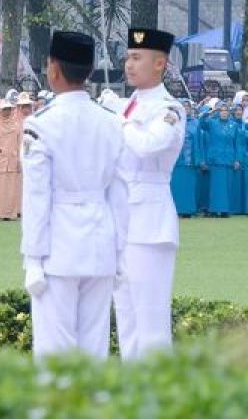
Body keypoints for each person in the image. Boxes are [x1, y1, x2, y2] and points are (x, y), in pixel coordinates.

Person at [20, 31, 128, 358]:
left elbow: (37, 197)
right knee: (93, 350)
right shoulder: (112, 123)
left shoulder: (40, 125)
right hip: (101, 243)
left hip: (58, 247)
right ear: (90, 69)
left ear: (53, 70)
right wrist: (120, 252)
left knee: (54, 352)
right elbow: (119, 194)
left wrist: (33, 259)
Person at [112, 27, 186, 361]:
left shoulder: (169, 108)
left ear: (160, 64)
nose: (129, 64)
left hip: (150, 221)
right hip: (122, 219)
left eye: (137, 57)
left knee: (151, 321)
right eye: (128, 57)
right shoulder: (129, 105)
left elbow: (147, 145)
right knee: (126, 318)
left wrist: (120, 119)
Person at [199, 102, 237, 218]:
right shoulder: (212, 123)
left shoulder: (234, 125)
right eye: (222, 110)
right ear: (218, 112)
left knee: (227, 186)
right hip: (215, 160)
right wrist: (210, 111)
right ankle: (215, 210)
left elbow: (237, 144)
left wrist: (237, 159)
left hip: (229, 160)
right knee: (216, 187)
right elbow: (201, 123)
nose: (224, 112)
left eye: (226, 110)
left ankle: (225, 211)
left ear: (229, 113)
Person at [170, 100, 199, 218]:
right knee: (176, 186)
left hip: (189, 159)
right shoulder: (172, 122)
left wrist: (198, 159)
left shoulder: (195, 122)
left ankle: (188, 210)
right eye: (183, 106)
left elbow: (198, 142)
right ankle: (175, 210)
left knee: (188, 187)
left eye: (188, 106)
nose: (186, 108)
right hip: (175, 160)